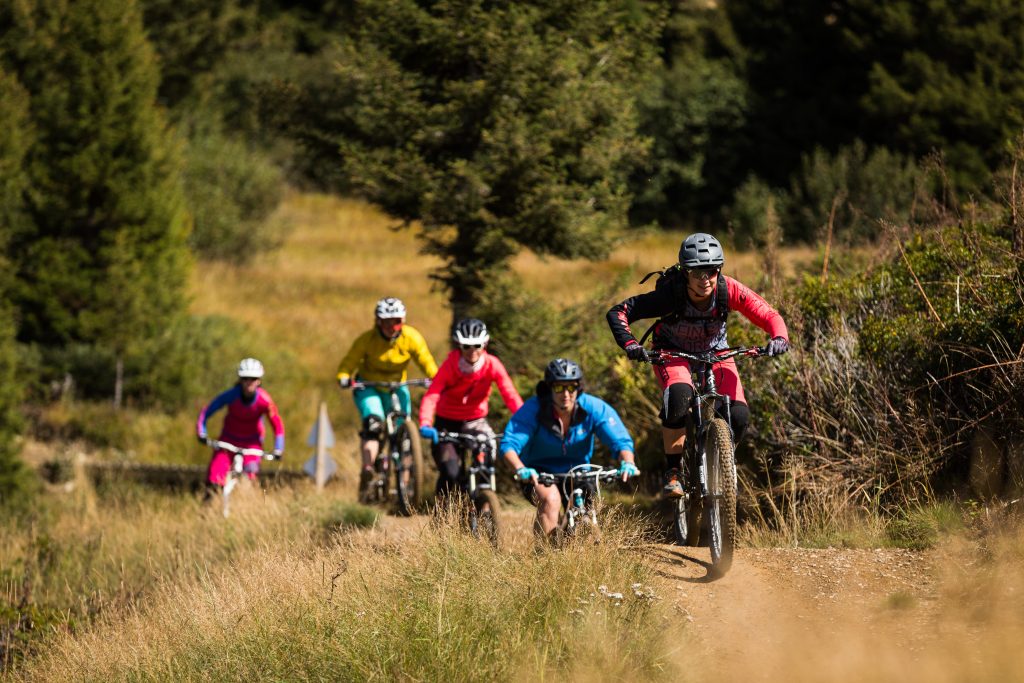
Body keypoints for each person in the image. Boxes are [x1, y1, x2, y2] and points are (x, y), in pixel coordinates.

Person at [606, 232, 789, 498]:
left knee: (738, 416)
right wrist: (632, 345)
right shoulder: (670, 294)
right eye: (696, 272)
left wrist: (779, 337)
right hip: (672, 353)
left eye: (712, 271)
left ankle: (721, 464)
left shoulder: (729, 289)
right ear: (684, 272)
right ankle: (674, 472)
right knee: (679, 395)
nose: (705, 279)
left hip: (717, 353)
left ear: (719, 270)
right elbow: (619, 312)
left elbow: (768, 314)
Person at [500, 358, 639, 540]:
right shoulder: (533, 409)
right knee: (551, 500)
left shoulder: (593, 408)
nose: (566, 394)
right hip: (539, 472)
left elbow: (620, 441)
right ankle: (546, 558)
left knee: (588, 507)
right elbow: (509, 445)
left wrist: (628, 462)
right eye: (559, 387)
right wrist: (521, 469)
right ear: (549, 389)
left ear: (578, 388)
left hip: (579, 471)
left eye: (571, 387)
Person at [336, 297, 438, 493]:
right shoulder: (367, 340)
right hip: (369, 386)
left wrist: (437, 378)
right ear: (378, 322)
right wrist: (344, 377)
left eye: (397, 321)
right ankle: (368, 468)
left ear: (403, 321)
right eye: (386, 322)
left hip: (397, 386)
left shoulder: (412, 338)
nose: (392, 326)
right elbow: (348, 363)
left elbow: (426, 361)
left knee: (405, 431)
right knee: (373, 423)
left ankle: (407, 483)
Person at [418, 318, 524, 498]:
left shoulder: (492, 364)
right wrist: (426, 423)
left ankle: (484, 506)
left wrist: (524, 419)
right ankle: (443, 514)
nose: (472, 351)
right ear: (459, 345)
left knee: (486, 462)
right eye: (466, 346)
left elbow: (509, 394)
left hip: (476, 422)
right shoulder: (450, 365)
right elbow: (432, 394)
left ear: (485, 344)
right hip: (447, 424)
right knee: (451, 473)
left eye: (477, 345)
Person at [196, 357, 285, 487]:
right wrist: (202, 433)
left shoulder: (265, 401)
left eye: (253, 379)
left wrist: (278, 448)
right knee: (214, 478)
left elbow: (277, 425)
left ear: (259, 381)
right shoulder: (231, 395)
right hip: (228, 442)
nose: (249, 382)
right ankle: (210, 503)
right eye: (245, 379)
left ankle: (245, 505)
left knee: (249, 479)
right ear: (240, 380)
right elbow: (207, 411)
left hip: (252, 445)